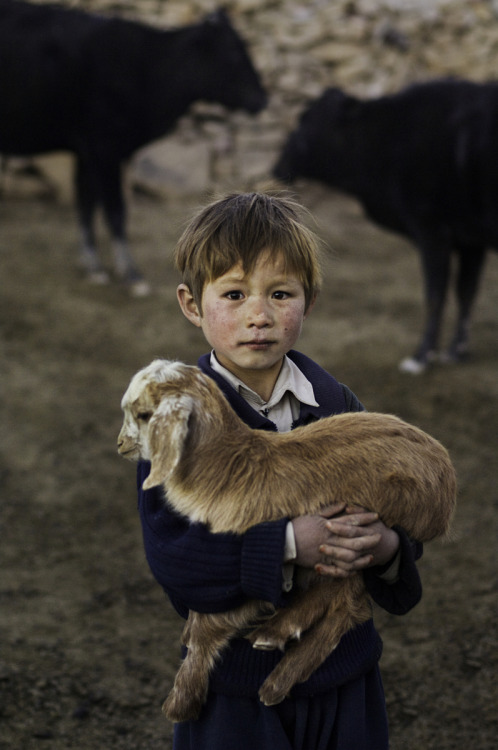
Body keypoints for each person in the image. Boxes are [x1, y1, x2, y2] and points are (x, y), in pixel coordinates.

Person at [137, 191, 422, 750]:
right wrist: (289, 543)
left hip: (346, 679)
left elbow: (397, 529)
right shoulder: (176, 424)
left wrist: (387, 547)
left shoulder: (340, 406)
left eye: (280, 293)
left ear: (309, 300)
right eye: (235, 293)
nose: (259, 315)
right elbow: (176, 560)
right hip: (234, 693)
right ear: (192, 305)